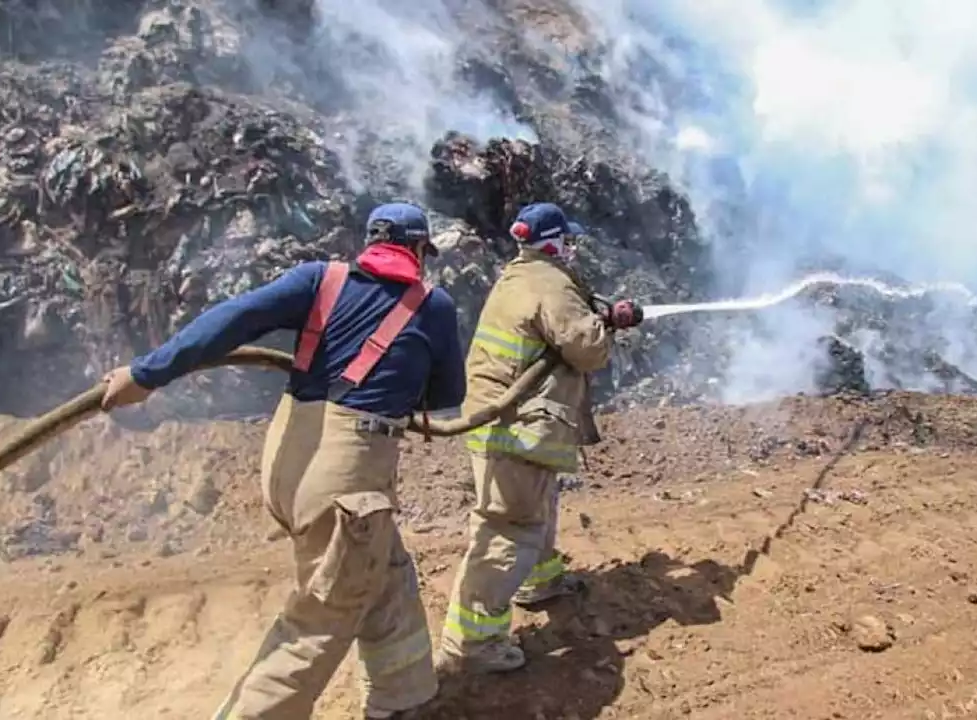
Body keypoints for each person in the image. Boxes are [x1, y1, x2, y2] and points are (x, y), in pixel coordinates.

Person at [99, 203, 466, 720]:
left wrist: (146, 373)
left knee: (384, 572)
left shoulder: (321, 279)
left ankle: (405, 699)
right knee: (321, 617)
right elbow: (448, 391)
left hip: (287, 466)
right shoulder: (433, 305)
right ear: (418, 250)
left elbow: (233, 318)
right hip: (346, 482)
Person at [436, 202, 643, 674]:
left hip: (509, 423)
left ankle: (538, 581)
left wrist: (602, 315)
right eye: (567, 239)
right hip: (516, 427)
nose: (572, 246)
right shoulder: (550, 282)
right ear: (552, 241)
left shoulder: (519, 276)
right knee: (509, 530)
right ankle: (473, 644)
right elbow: (587, 350)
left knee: (536, 508)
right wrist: (610, 324)